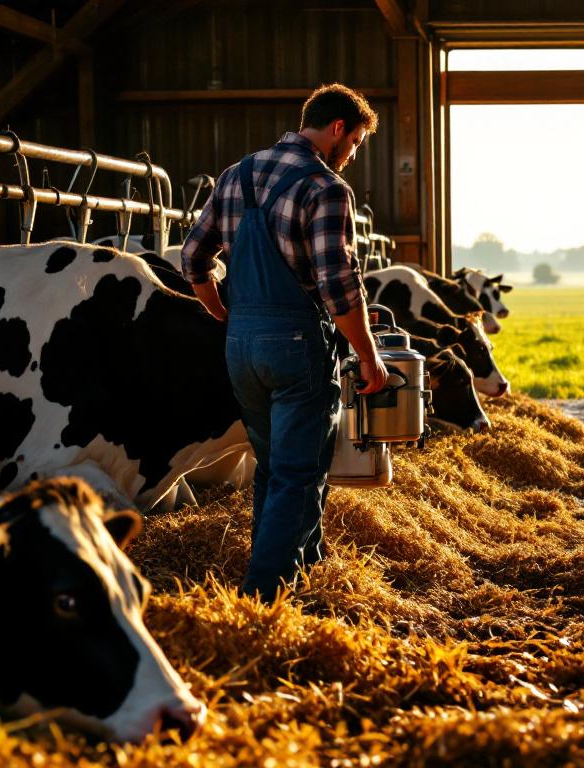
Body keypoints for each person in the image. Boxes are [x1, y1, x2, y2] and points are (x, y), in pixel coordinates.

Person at [181, 83, 388, 601]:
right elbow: (339, 289)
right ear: (338, 128)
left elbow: (192, 260)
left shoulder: (237, 174)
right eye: (357, 143)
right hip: (296, 343)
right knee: (299, 473)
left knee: (274, 468)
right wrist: (369, 357)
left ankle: (305, 567)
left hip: (242, 344)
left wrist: (223, 312)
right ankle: (262, 597)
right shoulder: (325, 187)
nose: (354, 156)